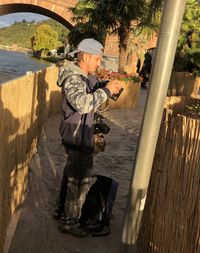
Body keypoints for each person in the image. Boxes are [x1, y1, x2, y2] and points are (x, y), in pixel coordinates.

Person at [53, 38, 122, 236]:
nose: (99, 63)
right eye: (98, 59)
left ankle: (61, 210)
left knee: (71, 175)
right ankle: (69, 223)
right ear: (85, 56)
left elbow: (92, 87)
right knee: (80, 182)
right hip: (77, 138)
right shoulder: (73, 78)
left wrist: (104, 84)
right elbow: (82, 103)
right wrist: (106, 91)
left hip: (78, 136)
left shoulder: (84, 76)